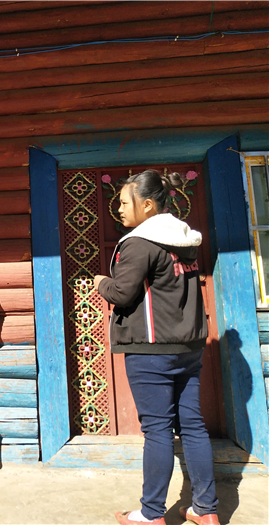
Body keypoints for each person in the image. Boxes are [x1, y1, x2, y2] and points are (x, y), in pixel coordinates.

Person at [93, 169, 219, 525]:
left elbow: (122, 293)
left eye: (124, 202)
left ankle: (151, 514)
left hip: (152, 349)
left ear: (147, 205)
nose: (118, 209)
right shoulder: (184, 239)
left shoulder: (139, 242)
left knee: (158, 430)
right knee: (192, 426)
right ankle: (205, 509)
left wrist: (102, 282)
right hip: (188, 346)